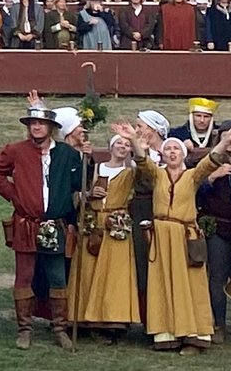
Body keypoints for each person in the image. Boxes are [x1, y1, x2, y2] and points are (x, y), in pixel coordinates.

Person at [0, 103, 86, 349]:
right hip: (26, 224)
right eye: (33, 123)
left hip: (57, 225)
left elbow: (78, 185)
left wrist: (85, 159)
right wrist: (15, 195)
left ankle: (60, 327)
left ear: (51, 127)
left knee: (57, 276)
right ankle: (24, 329)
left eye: (41, 123)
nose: (36, 127)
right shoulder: (16, 151)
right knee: (24, 276)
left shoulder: (68, 154)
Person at [143, 126, 231, 352]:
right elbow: (142, 161)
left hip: (184, 237)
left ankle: (194, 335)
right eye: (168, 149)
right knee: (163, 283)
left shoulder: (192, 176)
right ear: (162, 154)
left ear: (183, 154)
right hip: (161, 236)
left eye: (176, 149)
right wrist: (133, 139)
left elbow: (209, 162)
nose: (172, 152)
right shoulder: (157, 174)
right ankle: (166, 335)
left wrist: (226, 139)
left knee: (190, 285)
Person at [70, 124, 146, 342]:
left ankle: (113, 319)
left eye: (126, 144)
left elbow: (145, 170)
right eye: (119, 143)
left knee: (114, 274)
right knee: (89, 270)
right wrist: (89, 193)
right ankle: (86, 317)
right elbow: (78, 194)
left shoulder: (130, 172)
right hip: (94, 222)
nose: (122, 147)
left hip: (116, 223)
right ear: (111, 147)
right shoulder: (96, 168)